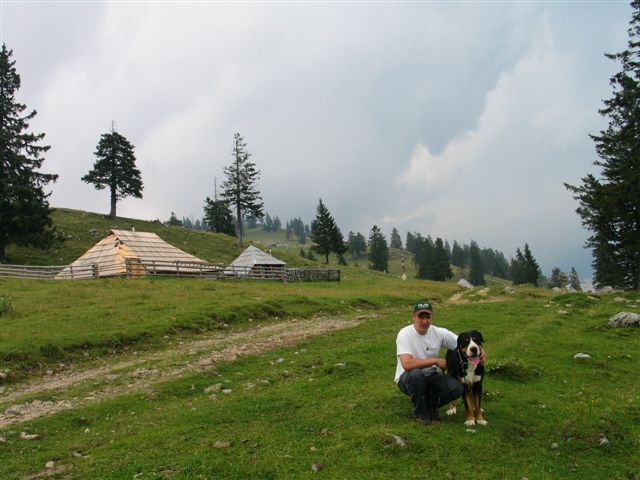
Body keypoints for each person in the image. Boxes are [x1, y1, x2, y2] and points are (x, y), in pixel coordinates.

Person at [394, 299, 465, 425]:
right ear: (413, 317)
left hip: (431, 376)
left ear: (432, 317)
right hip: (407, 378)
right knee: (416, 375)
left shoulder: (438, 332)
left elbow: (462, 343)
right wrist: (435, 361)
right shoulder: (404, 334)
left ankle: (429, 407)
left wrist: (480, 352)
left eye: (428, 316)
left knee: (457, 388)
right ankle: (420, 413)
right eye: (421, 316)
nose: (425, 321)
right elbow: (407, 364)